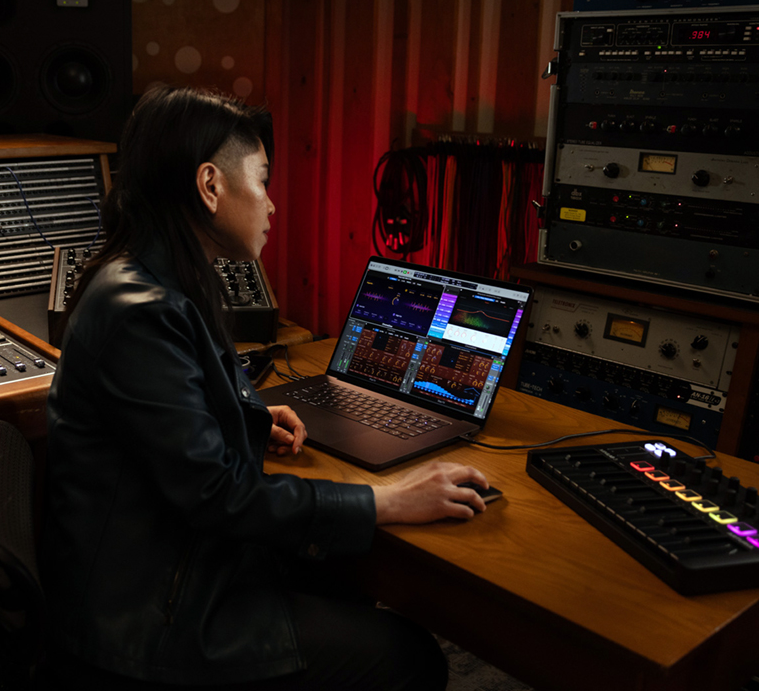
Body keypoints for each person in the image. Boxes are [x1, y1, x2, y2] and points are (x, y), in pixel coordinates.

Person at [44, 86, 493, 689]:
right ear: (210, 186)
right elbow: (217, 496)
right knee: (408, 655)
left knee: (340, 570)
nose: (272, 204)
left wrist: (244, 414)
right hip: (153, 622)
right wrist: (389, 500)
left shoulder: (148, 276)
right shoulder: (140, 311)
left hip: (166, 572)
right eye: (261, 181)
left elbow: (170, 432)